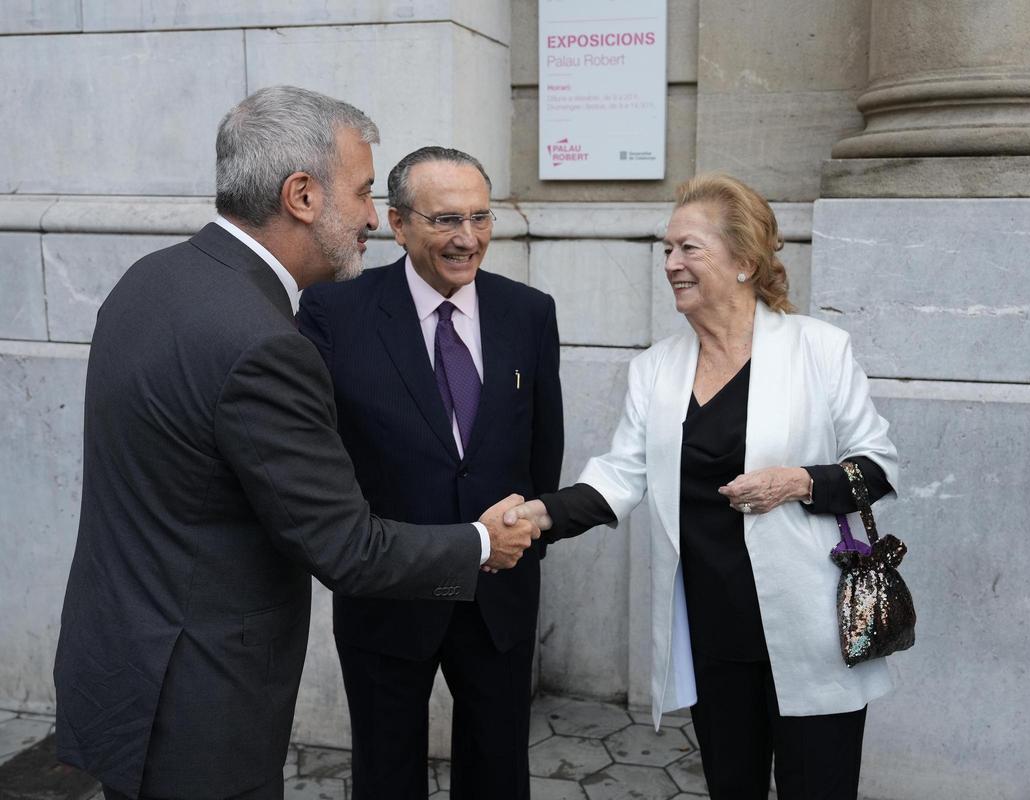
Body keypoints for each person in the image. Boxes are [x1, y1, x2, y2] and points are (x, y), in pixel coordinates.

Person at [52, 87, 539, 800]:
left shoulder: (151, 279)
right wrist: (478, 542)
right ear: (303, 195)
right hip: (201, 703)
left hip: (122, 666)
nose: (374, 217)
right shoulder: (264, 343)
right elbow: (344, 547)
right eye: (365, 192)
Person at [507, 173, 899, 799]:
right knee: (730, 786)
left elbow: (877, 467)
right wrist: (540, 516)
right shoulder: (656, 369)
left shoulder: (819, 350)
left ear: (744, 260)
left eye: (689, 248)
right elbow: (619, 476)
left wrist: (797, 481)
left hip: (809, 626)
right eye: (667, 249)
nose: (671, 264)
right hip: (714, 629)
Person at [297, 146, 563, 800]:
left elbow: (542, 449)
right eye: (445, 220)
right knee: (386, 773)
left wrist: (528, 542)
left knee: (498, 770)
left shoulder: (529, 312)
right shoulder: (335, 313)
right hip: (388, 594)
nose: (467, 238)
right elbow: (319, 452)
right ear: (398, 223)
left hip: (499, 593)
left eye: (480, 217)